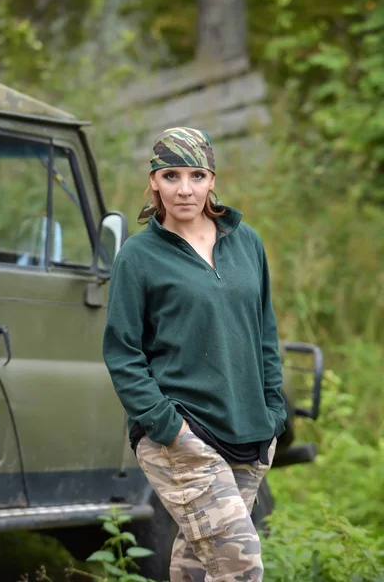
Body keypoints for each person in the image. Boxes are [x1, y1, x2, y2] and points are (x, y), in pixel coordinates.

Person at [103, 127, 287, 581]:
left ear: (212, 180)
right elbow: (123, 353)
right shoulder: (138, 256)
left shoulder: (248, 243)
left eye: (196, 175)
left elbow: (264, 331)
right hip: (181, 435)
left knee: (199, 564)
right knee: (240, 565)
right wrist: (168, 426)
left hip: (249, 431)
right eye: (171, 176)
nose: (184, 189)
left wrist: (274, 410)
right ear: (154, 182)